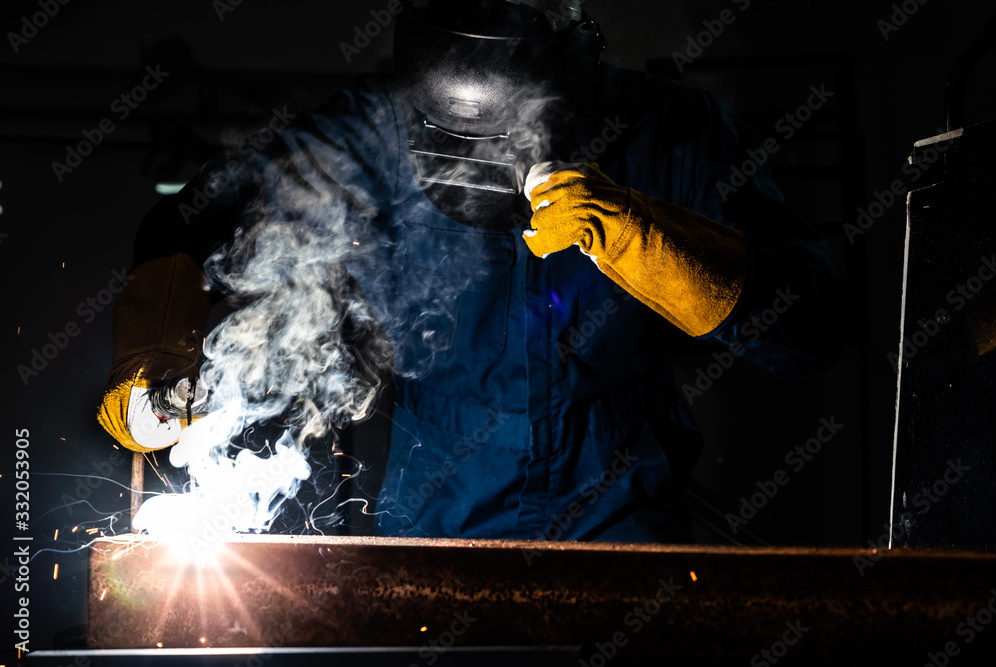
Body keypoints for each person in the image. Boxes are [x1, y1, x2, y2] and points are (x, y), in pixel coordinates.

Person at [96, 0, 849, 542]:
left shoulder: (672, 130)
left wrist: (642, 236)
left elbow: (814, 328)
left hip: (620, 515)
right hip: (439, 513)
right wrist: (155, 361)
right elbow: (191, 218)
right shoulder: (373, 132)